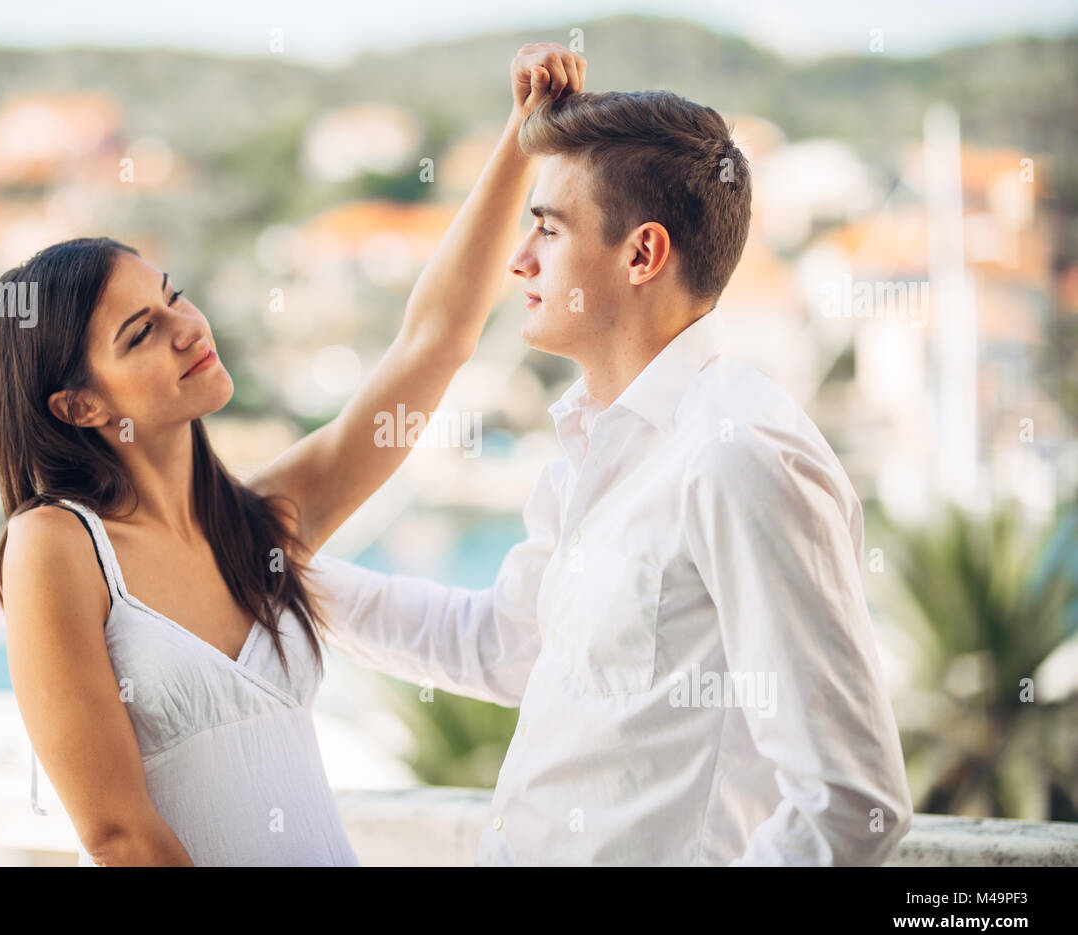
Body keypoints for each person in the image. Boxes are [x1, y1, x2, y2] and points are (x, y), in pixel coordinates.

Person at [0, 42, 586, 866]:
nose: (187, 328)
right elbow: (120, 836)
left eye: (174, 297)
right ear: (79, 406)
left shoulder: (258, 524)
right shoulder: (57, 546)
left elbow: (434, 343)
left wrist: (521, 136)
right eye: (141, 334)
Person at [309, 89, 914, 865]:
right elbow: (505, 647)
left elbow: (853, 802)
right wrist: (278, 575)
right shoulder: (592, 443)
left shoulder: (740, 456)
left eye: (549, 229)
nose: (519, 257)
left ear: (641, 254)